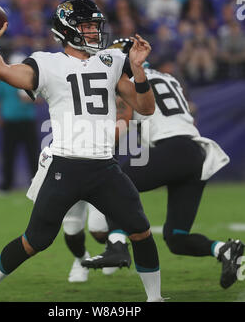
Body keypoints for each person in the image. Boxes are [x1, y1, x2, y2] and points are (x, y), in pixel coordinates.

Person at [0, 0, 164, 302]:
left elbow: (146, 108)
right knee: (35, 241)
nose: (94, 32)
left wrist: (138, 70)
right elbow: (0, 71)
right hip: (65, 166)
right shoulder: (47, 63)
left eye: (95, 26)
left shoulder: (111, 61)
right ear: (68, 30)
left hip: (104, 167)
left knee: (140, 231)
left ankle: (154, 298)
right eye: (86, 26)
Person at [70, 39, 244, 290]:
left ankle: (117, 245)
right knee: (177, 238)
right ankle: (225, 250)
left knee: (111, 182)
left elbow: (124, 120)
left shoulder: (127, 82)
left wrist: (97, 146)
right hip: (196, 153)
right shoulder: (169, 78)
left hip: (170, 148)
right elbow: (188, 117)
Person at [0, 54, 39, 192]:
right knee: (9, 155)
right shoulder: (3, 81)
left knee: (32, 155)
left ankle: (36, 186)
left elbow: (41, 98)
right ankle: (6, 185)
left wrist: (31, 99)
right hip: (10, 122)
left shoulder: (32, 79)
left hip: (27, 121)